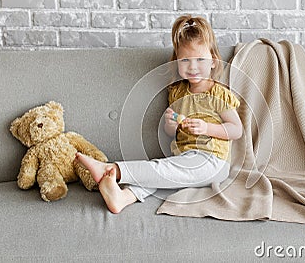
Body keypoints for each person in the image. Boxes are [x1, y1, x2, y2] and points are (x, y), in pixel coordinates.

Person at [75, 15, 242, 214]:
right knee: (160, 175)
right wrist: (171, 123)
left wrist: (206, 128)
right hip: (184, 156)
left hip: (212, 160)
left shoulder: (217, 93)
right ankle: (123, 198)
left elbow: (236, 129)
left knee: (162, 170)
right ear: (177, 62)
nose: (193, 66)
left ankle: (113, 169)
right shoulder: (178, 93)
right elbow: (171, 133)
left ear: (213, 62)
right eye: (185, 60)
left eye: (200, 59)